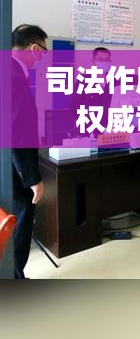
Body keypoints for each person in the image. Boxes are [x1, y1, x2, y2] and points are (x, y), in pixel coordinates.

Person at [11, 24, 48, 279]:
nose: (43, 57)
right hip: (15, 170)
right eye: (44, 51)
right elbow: (17, 132)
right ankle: (16, 277)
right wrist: (33, 179)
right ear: (34, 48)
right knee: (20, 222)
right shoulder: (14, 78)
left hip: (10, 164)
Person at [69, 47, 114, 135]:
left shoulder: (115, 81)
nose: (104, 62)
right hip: (88, 130)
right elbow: (74, 107)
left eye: (107, 60)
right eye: (100, 59)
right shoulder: (83, 80)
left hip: (109, 130)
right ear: (93, 61)